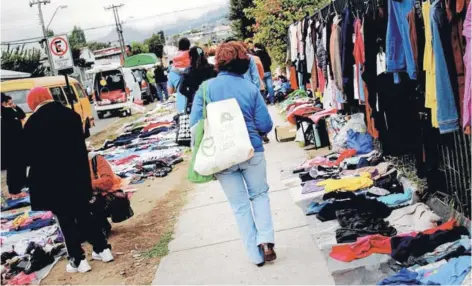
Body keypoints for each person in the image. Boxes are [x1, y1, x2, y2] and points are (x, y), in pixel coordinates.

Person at [189, 41, 276, 267]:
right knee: (259, 195)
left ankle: (255, 255)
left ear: (218, 62)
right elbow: (265, 125)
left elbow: (194, 125)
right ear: (243, 63)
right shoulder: (250, 89)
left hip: (222, 156)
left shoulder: (205, 89)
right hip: (251, 150)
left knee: (239, 206)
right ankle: (266, 240)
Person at [23, 87, 113, 273]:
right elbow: (81, 149)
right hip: (77, 177)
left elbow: (30, 157)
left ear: (33, 102)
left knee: (65, 220)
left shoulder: (32, 123)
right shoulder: (71, 115)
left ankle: (78, 260)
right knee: (84, 214)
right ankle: (102, 250)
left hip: (53, 183)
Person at [88, 154, 123, 237]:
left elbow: (108, 181)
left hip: (100, 196)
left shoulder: (95, 159)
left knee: (92, 201)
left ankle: (101, 226)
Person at [1, 93, 27, 199]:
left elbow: (22, 115)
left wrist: (14, 106)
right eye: (10, 103)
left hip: (14, 145)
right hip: (12, 146)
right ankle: (15, 191)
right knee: (15, 169)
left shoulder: (9, 112)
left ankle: (17, 189)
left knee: (17, 168)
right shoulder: (6, 113)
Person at [179, 46, 217, 110]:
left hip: (197, 102)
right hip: (213, 100)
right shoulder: (212, 68)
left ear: (190, 57)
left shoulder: (188, 72)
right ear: (203, 55)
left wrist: (191, 95)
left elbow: (181, 89)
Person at [168, 37, 191, 113]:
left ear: (178, 47)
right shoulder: (195, 64)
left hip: (182, 106)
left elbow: (170, 91)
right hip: (197, 103)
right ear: (189, 46)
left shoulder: (172, 69)